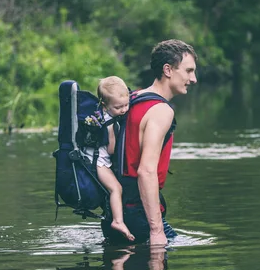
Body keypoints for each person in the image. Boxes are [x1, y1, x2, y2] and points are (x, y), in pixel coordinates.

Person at [102, 39, 198, 245]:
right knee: (158, 265)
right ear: (168, 70)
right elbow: (146, 171)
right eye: (189, 71)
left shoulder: (132, 99)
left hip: (115, 211)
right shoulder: (161, 111)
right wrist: (156, 230)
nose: (194, 78)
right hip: (138, 215)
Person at [82, 76, 134, 241]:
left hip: (96, 159)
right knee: (116, 189)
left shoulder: (101, 113)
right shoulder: (109, 122)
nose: (124, 110)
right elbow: (111, 149)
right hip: (98, 163)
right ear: (105, 105)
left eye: (126, 105)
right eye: (118, 107)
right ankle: (118, 221)